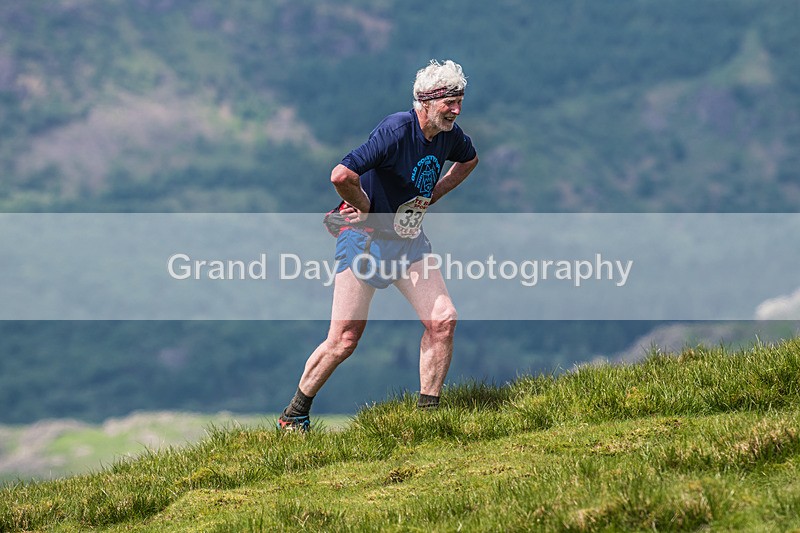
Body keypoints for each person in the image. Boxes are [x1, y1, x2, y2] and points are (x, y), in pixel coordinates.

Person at [278, 59, 479, 431]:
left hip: (406, 240)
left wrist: (432, 196)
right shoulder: (396, 130)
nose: (456, 109)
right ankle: (293, 417)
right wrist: (366, 209)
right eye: (449, 102)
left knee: (443, 320)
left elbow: (468, 161)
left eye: (459, 101)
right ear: (425, 101)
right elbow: (341, 175)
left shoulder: (451, 135)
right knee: (344, 340)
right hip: (363, 240)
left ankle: (427, 421)